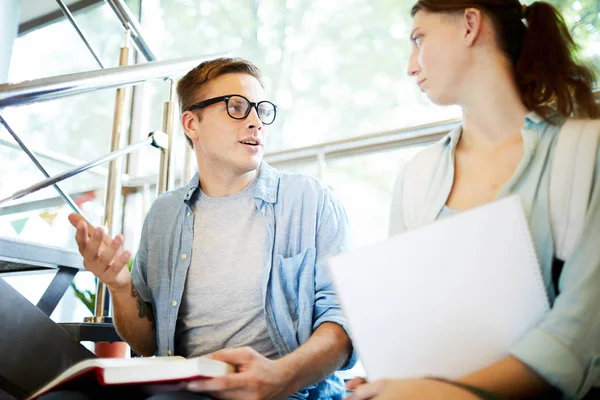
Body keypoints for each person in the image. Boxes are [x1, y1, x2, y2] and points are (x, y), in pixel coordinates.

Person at [59, 57, 356, 400]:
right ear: (191, 123)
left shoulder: (310, 200)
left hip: (289, 393)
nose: (255, 122)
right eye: (236, 107)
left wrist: (280, 376)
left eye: (261, 109)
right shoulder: (164, 214)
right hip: (186, 389)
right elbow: (146, 341)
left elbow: (345, 321)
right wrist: (120, 285)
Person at [346, 1, 599, 399]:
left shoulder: (585, 151)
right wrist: (387, 382)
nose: (411, 66)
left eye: (418, 39)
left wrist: (439, 394)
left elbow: (577, 335)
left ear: (469, 25)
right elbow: (408, 321)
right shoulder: (416, 177)